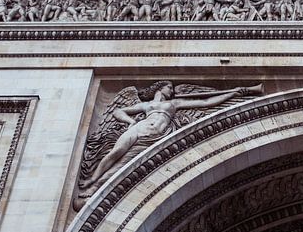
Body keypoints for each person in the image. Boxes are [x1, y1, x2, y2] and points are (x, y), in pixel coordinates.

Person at [83, 81, 252, 190]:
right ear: (159, 88)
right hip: (138, 129)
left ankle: (95, 188)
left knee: (124, 164)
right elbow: (119, 111)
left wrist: (233, 93)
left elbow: (206, 102)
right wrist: (130, 122)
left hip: (154, 136)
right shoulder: (147, 105)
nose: (172, 90)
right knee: (115, 153)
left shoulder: (174, 104)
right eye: (169, 87)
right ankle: (92, 179)